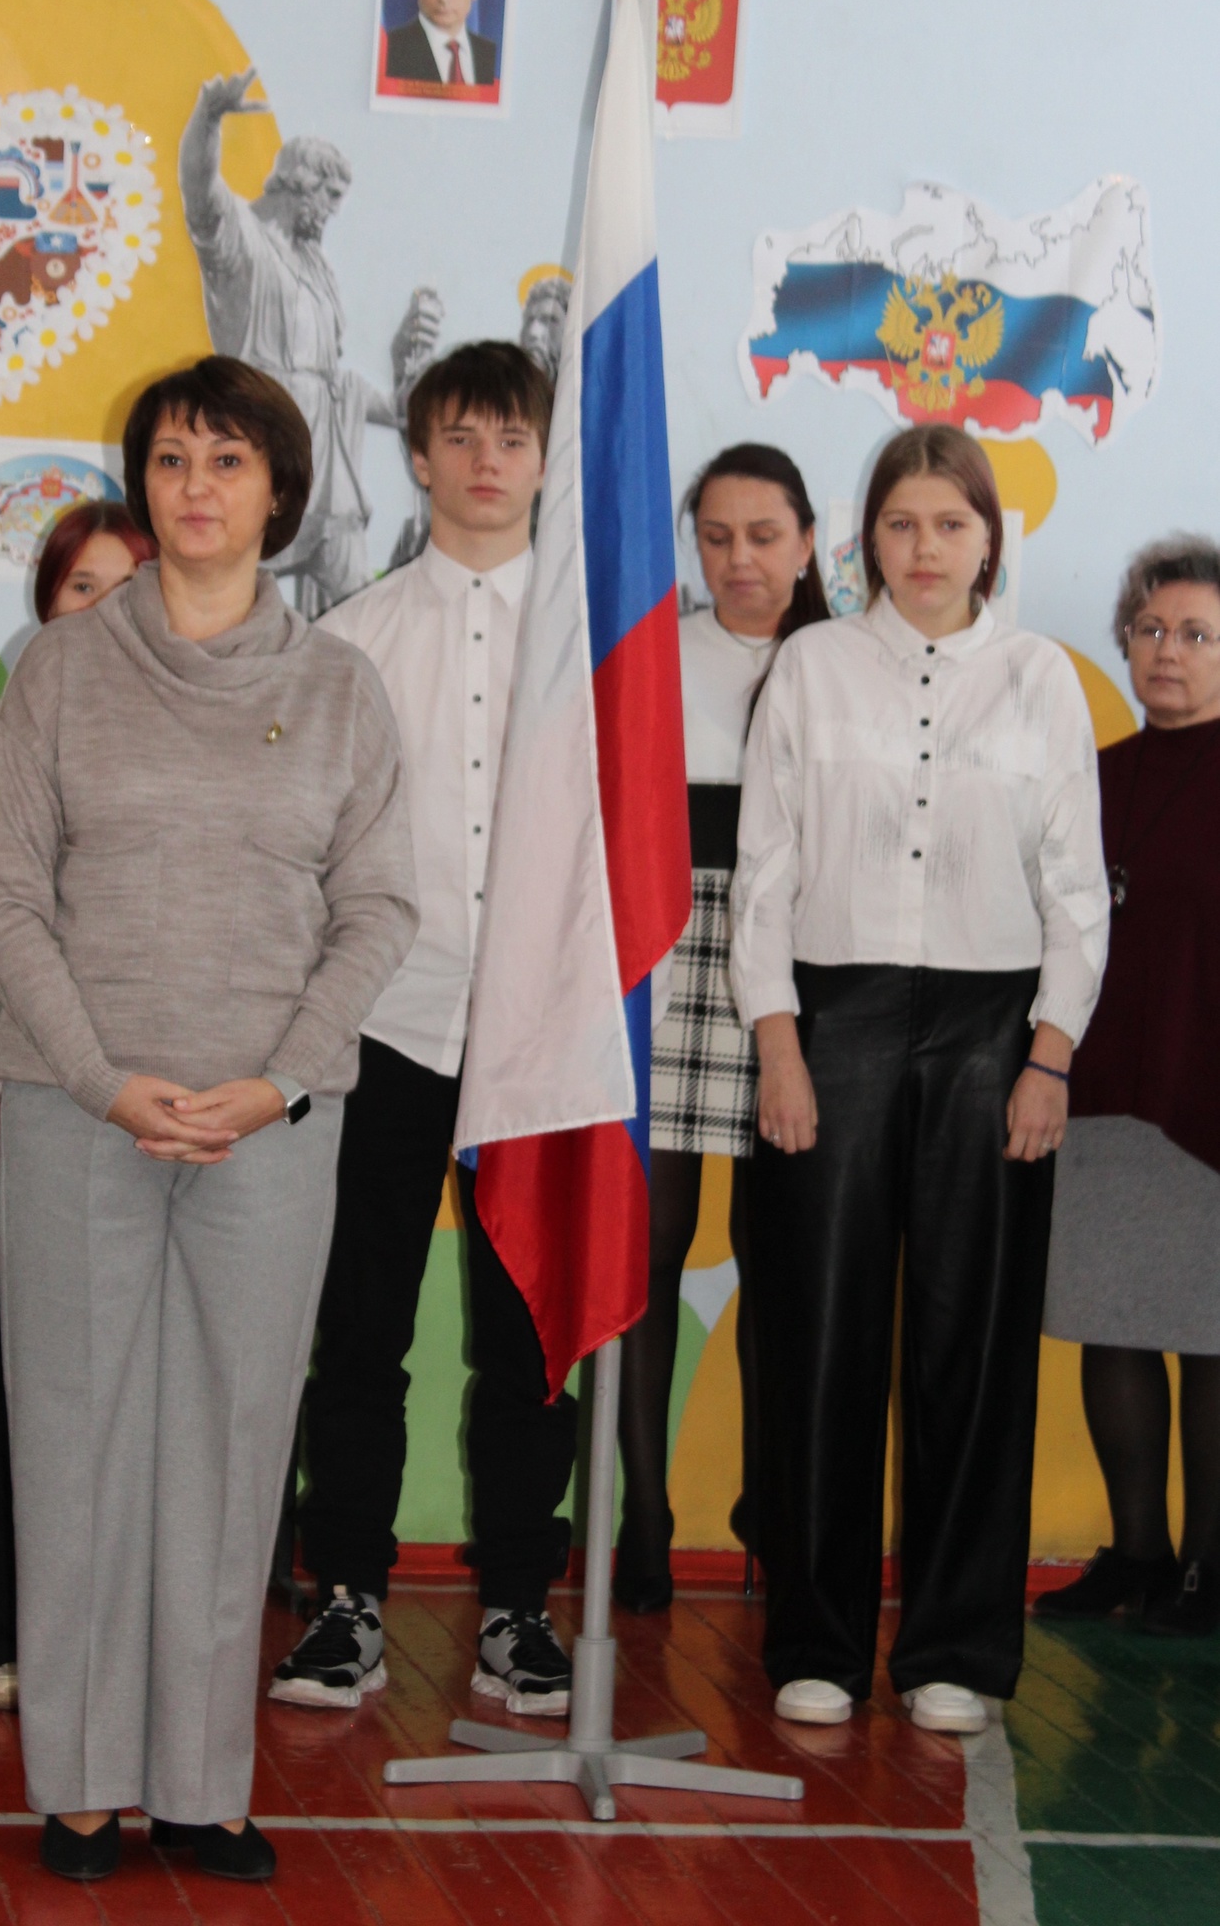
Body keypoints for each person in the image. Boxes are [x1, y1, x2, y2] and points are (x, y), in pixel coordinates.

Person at [0, 356, 417, 1885]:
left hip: (266, 1128)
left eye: (227, 461)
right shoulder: (58, 672)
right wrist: (102, 1078)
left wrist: (277, 1078)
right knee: (75, 1442)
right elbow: (6, 898)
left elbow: (378, 909)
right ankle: (84, 1784)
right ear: (141, 486)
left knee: (231, 1448)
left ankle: (201, 1787)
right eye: (170, 459)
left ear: (279, 490)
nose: (196, 487)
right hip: (77, 1107)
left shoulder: (338, 688)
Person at [731, 422, 1109, 1735]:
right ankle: (817, 1640)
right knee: (818, 1336)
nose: (925, 547)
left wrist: (1048, 1055)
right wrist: (779, 1042)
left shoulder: (1039, 678)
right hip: (829, 1024)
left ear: (988, 538)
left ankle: (954, 1645)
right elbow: (763, 874)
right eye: (900, 524)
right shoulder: (811, 667)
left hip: (991, 1036)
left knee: (973, 1340)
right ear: (865, 539)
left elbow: (1074, 891)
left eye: (951, 523)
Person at [270, 342, 576, 1718]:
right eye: (459, 437)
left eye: (510, 438)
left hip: (538, 1038)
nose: (485, 463)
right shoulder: (351, 640)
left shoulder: (591, 645)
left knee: (528, 1342)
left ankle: (517, 1606)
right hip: (385, 1027)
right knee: (359, 1332)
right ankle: (345, 1599)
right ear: (417, 455)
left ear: (542, 458)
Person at [0, 501, 154, 1713]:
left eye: (128, 589)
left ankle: (109, 1629)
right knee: (4, 1384)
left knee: (125, 1393)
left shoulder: (187, 748)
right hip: (6, 1127)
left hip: (145, 1133)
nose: (101, 613)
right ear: (45, 604)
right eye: (79, 588)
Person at [614, 445, 829, 1613]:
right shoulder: (652, 654)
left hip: (801, 964)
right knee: (648, 1248)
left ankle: (771, 1504)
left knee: (782, 1252)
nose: (738, 559)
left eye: (761, 535)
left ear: (807, 540)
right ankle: (644, 1515)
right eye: (714, 537)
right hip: (667, 946)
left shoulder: (842, 662)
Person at [1039, 536, 1220, 1636]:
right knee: (1111, 1320)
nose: (1168, 651)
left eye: (1196, 634)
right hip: (1100, 1090)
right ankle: (1136, 1556)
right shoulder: (1090, 776)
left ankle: (1208, 1569)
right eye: (1150, 629)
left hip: (1207, 1098)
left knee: (1209, 1335)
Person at [179, 71, 442, 612]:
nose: (334, 211)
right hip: (264, 453)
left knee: (360, 612)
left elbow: (332, 378)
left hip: (330, 467)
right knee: (235, 612)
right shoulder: (241, 240)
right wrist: (208, 117)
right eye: (331, 196)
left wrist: (401, 395)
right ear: (301, 184)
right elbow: (200, 191)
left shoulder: (316, 265)